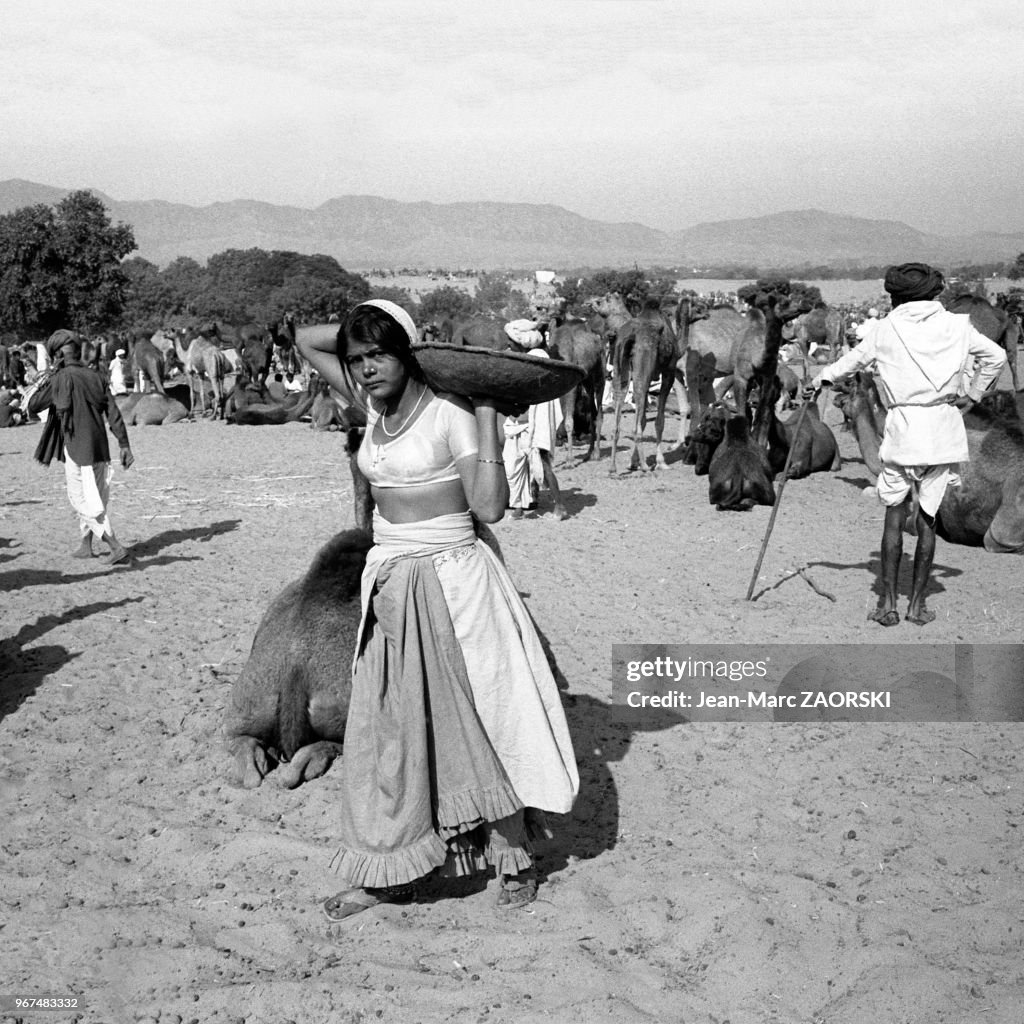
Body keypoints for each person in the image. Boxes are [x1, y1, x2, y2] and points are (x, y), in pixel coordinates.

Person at [297, 300, 578, 920]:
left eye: (380, 355)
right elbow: (306, 339)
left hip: (454, 584)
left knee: (480, 722)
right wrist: (372, 322)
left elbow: (491, 509)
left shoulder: (451, 413)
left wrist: (482, 408)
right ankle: (391, 872)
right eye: (358, 359)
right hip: (389, 583)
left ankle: (514, 857)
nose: (367, 369)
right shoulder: (369, 408)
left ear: (406, 356)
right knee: (387, 732)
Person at [805, 262, 1006, 627]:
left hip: (904, 430)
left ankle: (887, 605)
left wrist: (819, 380)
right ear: (933, 293)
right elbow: (997, 357)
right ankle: (917, 606)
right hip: (944, 429)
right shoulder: (958, 326)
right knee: (928, 520)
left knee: (894, 519)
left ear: (896, 296)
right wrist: (974, 394)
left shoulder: (885, 329)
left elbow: (846, 365)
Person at [27, 329, 135, 564]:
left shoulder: (60, 378)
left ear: (58, 356)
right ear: (77, 352)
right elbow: (114, 414)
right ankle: (86, 544)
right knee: (96, 498)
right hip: (101, 449)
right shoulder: (96, 376)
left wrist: (49, 375)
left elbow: (33, 405)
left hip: (78, 449)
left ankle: (115, 546)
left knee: (81, 500)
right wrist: (124, 445)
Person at [502, 347, 568, 520]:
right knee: (513, 469)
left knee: (543, 467)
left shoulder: (546, 387)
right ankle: (518, 507)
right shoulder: (523, 381)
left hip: (536, 431)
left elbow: (546, 415)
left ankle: (560, 506)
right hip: (516, 429)